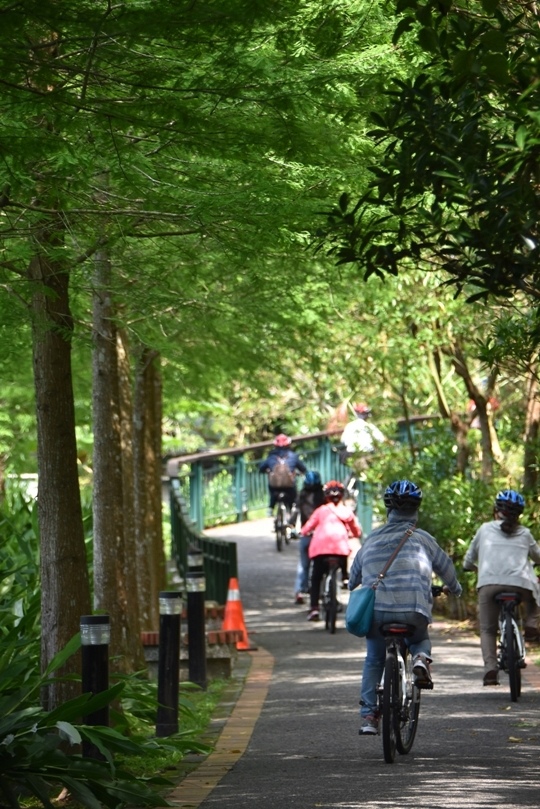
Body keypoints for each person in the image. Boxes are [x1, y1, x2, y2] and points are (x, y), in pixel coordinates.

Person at [348, 479, 462, 736]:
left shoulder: (372, 539)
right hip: (414, 610)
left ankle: (368, 716)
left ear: (388, 509)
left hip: (376, 614)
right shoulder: (424, 539)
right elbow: (447, 569)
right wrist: (455, 589)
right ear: (416, 511)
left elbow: (353, 578)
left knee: (374, 659)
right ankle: (421, 659)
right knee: (420, 639)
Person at [463, 489, 540, 686]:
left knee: (488, 629)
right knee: (534, 597)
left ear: (496, 510)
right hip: (521, 585)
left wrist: (473, 568)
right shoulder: (525, 533)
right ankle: (531, 623)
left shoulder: (485, 529)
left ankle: (490, 668)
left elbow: (468, 560)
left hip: (489, 584)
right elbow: (538, 557)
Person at [300, 480, 362, 622]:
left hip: (320, 550)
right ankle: (345, 577)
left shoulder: (321, 510)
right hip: (339, 551)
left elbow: (307, 527)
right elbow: (356, 530)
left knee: (315, 578)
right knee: (343, 552)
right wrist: (355, 534)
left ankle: (314, 608)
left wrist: (302, 532)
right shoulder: (346, 511)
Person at [259, 434, 307, 526]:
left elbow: (261, 468)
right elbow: (303, 469)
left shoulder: (271, 456)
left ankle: (271, 507)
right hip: (289, 486)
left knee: (272, 489)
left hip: (275, 487)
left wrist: (267, 470)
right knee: (294, 502)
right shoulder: (293, 456)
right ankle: (292, 525)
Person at [293, 470, 325, 605]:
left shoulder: (302, 495)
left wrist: (292, 526)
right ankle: (324, 592)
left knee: (303, 564)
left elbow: (295, 513)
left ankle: (300, 590)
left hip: (307, 535)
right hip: (321, 536)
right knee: (322, 566)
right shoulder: (324, 497)